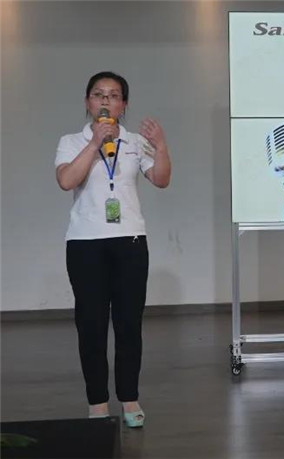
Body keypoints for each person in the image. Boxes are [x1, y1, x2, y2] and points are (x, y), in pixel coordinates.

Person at [54, 71, 171, 428]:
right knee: (90, 325)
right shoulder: (71, 141)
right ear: (88, 102)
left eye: (114, 95)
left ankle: (129, 399)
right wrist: (95, 143)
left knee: (128, 324)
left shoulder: (136, 142)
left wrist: (161, 147)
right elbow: (66, 181)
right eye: (98, 94)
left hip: (130, 241)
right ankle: (97, 403)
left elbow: (161, 179)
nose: (106, 100)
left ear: (124, 105)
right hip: (85, 243)